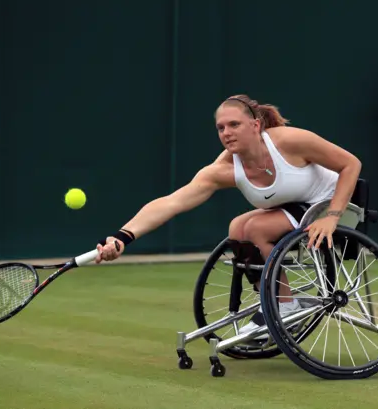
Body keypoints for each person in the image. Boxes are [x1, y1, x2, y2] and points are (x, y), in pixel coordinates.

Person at [95, 94, 362, 337]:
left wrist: (333, 215)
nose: (226, 132)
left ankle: (286, 306)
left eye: (234, 124)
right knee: (238, 228)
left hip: (332, 202)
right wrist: (122, 238)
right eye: (221, 128)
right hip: (295, 207)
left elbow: (351, 164)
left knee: (257, 227)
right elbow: (171, 202)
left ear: (256, 125)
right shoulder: (222, 170)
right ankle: (277, 301)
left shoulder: (290, 141)